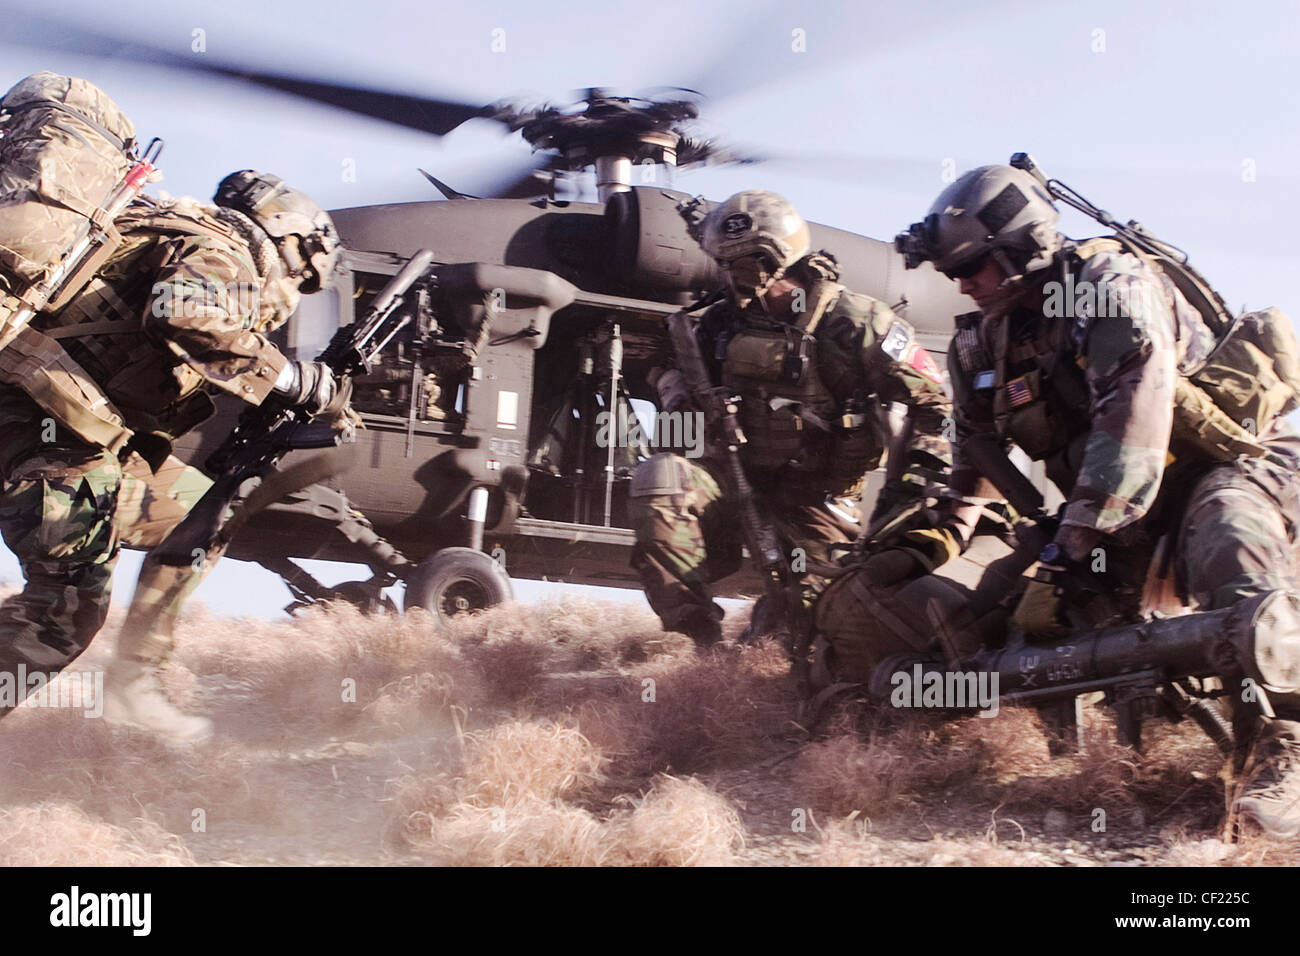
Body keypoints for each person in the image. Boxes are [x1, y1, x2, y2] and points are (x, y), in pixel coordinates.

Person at [879, 162, 1300, 836]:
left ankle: (1285, 744)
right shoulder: (980, 342)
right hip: (1109, 511)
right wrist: (936, 544)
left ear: (1022, 248)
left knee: (1230, 537)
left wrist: (1073, 545)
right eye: (953, 272)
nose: (964, 284)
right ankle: (1109, 745)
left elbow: (1135, 412)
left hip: (1217, 471)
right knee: (1008, 613)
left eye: (977, 265)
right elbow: (974, 463)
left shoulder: (1108, 286)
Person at [0, 170, 349, 742]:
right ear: (288, 241)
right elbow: (178, 313)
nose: (293, 294)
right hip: (42, 425)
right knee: (60, 610)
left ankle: (135, 679)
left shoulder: (178, 235)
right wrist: (291, 379)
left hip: (70, 428)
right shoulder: (225, 251)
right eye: (303, 277)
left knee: (202, 517)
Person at [628, 189, 952, 648]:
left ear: (766, 261)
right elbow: (674, 372)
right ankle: (698, 639)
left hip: (817, 497)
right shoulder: (720, 324)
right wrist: (673, 389)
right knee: (661, 480)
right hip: (734, 481)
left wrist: (910, 497)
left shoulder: (854, 321)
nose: (722, 274)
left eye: (732, 263)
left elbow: (933, 407)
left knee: (807, 631)